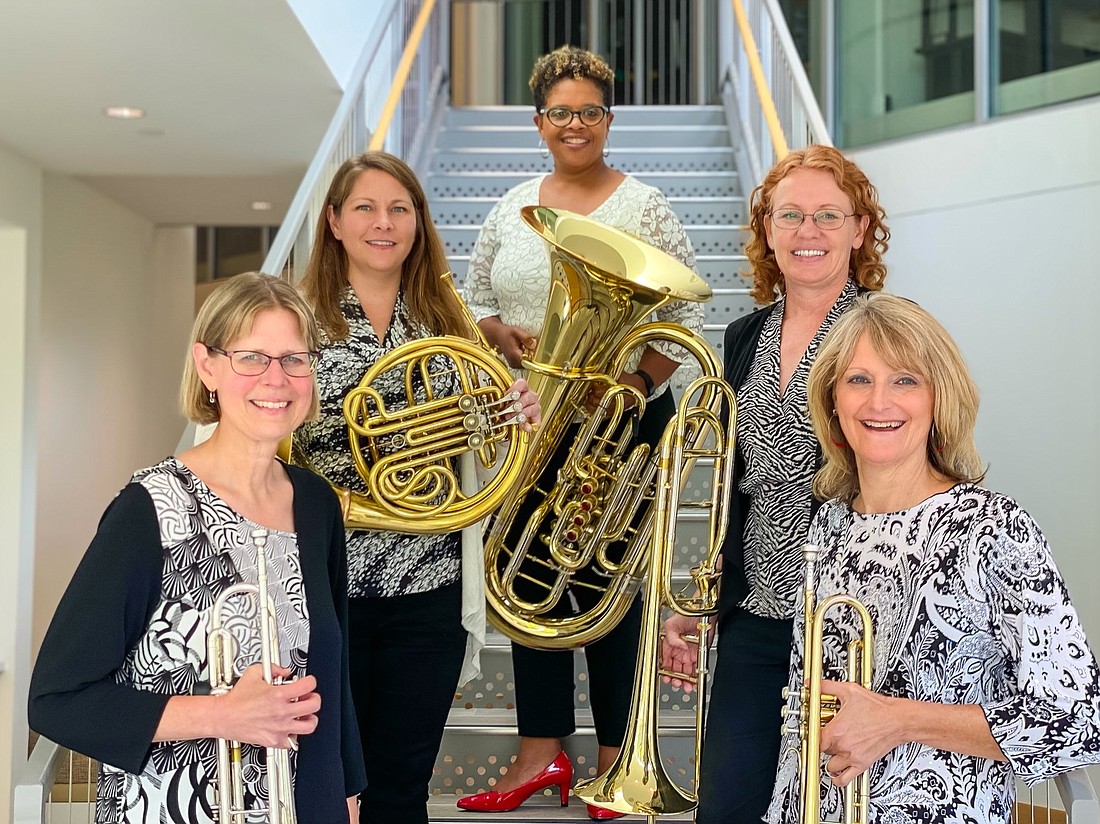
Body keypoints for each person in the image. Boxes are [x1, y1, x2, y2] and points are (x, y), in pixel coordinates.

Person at [456, 45, 705, 821]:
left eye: (589, 111)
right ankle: (540, 755)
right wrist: (495, 331)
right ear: (538, 122)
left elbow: (686, 309)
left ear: (608, 119)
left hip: (620, 421)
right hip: (533, 416)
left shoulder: (647, 204)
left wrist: (637, 384)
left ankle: (611, 763)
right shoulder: (512, 205)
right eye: (560, 111)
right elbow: (473, 299)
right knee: (528, 581)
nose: (575, 124)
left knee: (606, 586)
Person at [28, 272, 366, 824]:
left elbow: (334, 667)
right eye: (252, 357)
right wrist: (223, 715)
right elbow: (57, 701)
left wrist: (348, 796)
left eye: (293, 359)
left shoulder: (315, 502)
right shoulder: (147, 510)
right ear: (207, 366)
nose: (276, 379)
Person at [766, 292, 1100, 823]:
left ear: (939, 399)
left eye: (905, 380)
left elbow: (1077, 719)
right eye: (858, 380)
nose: (879, 402)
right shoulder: (829, 525)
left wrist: (897, 721)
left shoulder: (993, 528)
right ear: (831, 401)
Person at [292, 150, 540, 824]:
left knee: (402, 789)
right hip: (325, 585)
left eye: (400, 208)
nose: (384, 222)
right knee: (318, 787)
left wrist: (510, 414)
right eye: (366, 207)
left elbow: (479, 432)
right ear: (335, 222)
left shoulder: (448, 322)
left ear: (419, 223)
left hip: (426, 587)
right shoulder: (296, 321)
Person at [660, 144, 891, 824]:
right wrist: (706, 594)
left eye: (828, 215)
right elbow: (741, 485)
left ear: (859, 228)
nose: (808, 232)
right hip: (756, 614)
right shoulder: (745, 334)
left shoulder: (885, 330)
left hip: (854, 620)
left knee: (832, 807)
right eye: (790, 215)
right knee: (727, 804)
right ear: (766, 228)